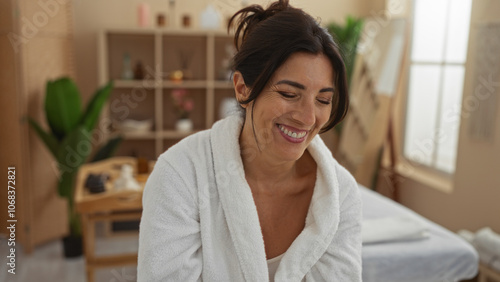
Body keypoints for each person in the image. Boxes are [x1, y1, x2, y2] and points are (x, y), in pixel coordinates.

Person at [137, 0, 362, 281]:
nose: (307, 118)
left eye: (323, 100)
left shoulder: (341, 194)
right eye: (289, 94)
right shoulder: (181, 175)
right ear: (243, 88)